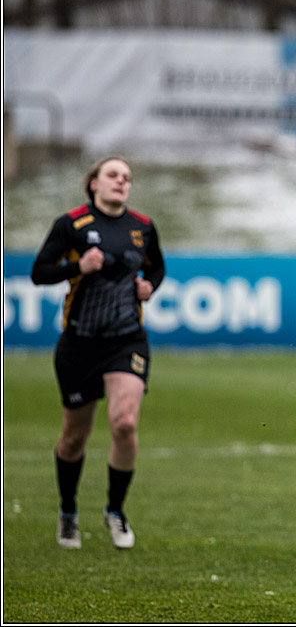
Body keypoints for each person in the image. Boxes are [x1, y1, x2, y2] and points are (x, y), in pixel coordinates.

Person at [30, 155, 166, 550]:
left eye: (127, 177)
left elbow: (157, 268)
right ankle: (68, 512)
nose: (121, 181)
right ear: (94, 183)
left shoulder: (142, 227)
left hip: (127, 340)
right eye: (113, 175)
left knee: (124, 422)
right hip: (79, 344)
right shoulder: (71, 225)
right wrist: (78, 268)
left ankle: (115, 510)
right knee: (75, 436)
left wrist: (149, 287)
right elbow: (40, 272)